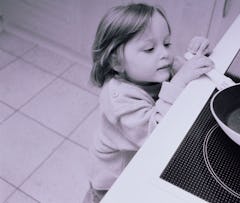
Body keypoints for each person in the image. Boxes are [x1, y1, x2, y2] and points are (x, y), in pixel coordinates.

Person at [83, 3, 214, 203]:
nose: (165, 54)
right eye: (149, 48)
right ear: (117, 62)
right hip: (111, 184)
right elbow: (156, 136)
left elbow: (183, 71)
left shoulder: (156, 69)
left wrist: (197, 53)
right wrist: (180, 81)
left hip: (137, 165)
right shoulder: (118, 99)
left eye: (167, 43)